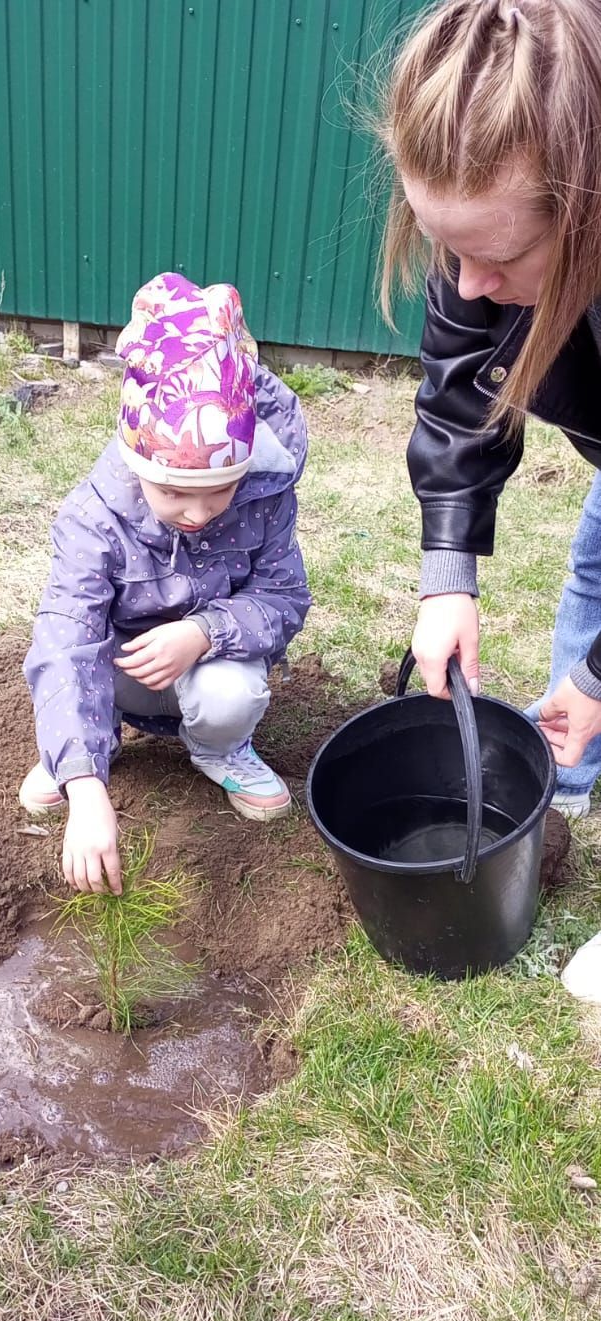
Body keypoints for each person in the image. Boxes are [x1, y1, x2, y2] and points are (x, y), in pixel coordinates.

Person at [379, 0, 601, 827]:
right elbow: (459, 394)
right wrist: (448, 578)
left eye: (500, 257)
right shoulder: (483, 221)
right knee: (593, 572)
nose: (467, 286)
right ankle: (567, 792)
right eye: (447, 249)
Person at [19, 272, 310, 895]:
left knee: (232, 695)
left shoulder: (266, 496)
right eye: (175, 492)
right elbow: (67, 645)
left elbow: (285, 599)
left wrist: (205, 632)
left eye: (219, 492)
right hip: (119, 669)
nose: (200, 514)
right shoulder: (94, 518)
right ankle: (80, 757)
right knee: (72, 687)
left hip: (208, 665)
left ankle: (218, 751)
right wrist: (87, 792)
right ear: (135, 464)